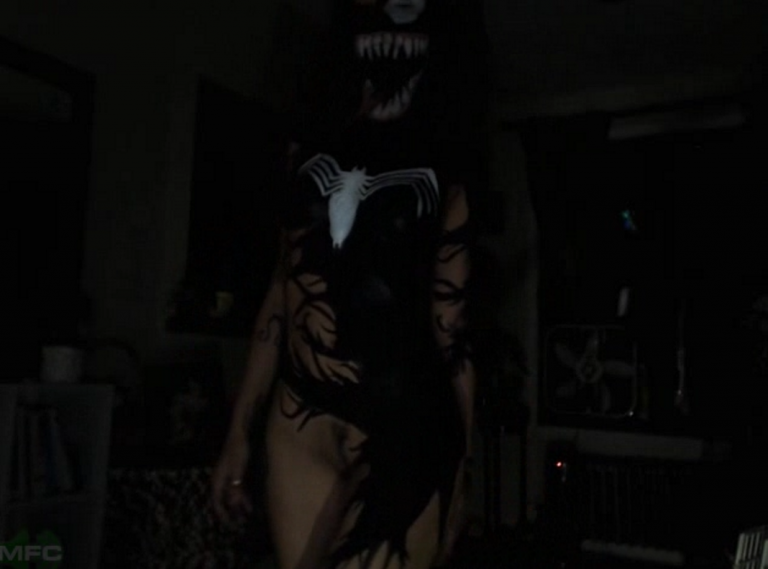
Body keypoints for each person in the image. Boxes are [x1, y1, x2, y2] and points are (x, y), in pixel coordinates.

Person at [212, 1, 488, 567]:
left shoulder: (446, 171)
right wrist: (238, 433)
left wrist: (462, 467)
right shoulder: (304, 154)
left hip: (405, 415)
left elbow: (451, 332)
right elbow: (282, 295)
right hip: (298, 415)